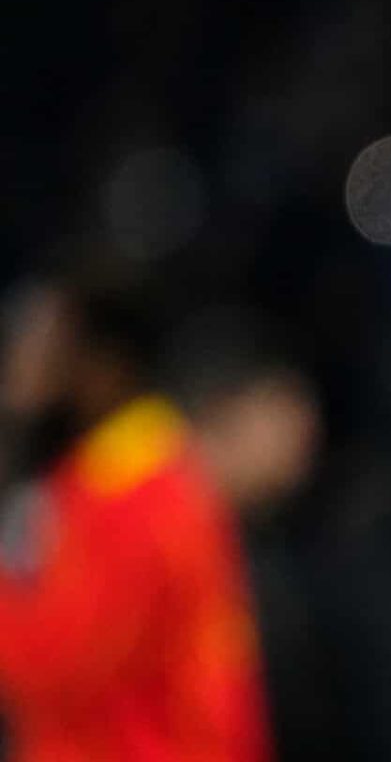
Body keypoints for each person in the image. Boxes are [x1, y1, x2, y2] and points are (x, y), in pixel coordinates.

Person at [0, 276, 271, 761]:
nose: (22, 359)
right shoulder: (129, 474)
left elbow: (56, 666)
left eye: (42, 340)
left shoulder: (129, 495)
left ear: (101, 364)